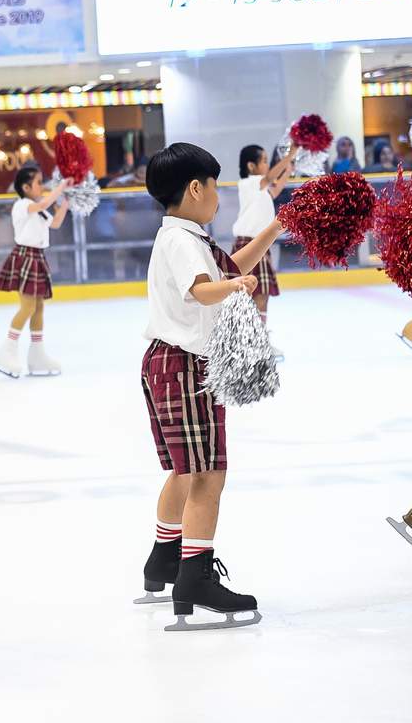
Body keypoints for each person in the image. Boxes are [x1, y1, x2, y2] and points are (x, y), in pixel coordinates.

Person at [135, 142, 280, 631]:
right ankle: (194, 577)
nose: (220, 196)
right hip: (184, 366)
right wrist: (234, 289)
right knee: (207, 475)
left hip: (169, 363)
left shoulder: (184, 236)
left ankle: (165, 559)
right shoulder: (181, 242)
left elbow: (231, 267)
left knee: (186, 471)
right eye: (216, 187)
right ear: (196, 188)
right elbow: (202, 289)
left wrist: (274, 229)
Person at [0, 166, 69, 378]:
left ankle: (37, 354)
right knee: (27, 307)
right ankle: (7, 351)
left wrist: (65, 203)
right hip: (25, 256)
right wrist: (61, 187)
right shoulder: (23, 205)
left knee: (38, 307)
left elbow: (55, 223)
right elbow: (44, 203)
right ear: (26, 187)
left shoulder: (38, 208)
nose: (42, 186)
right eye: (39, 182)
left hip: (37, 257)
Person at [232, 143, 296, 358]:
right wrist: (289, 156)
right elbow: (269, 179)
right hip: (249, 244)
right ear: (251, 166)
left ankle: (257, 341)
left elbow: (274, 190)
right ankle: (253, 342)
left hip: (258, 245)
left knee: (261, 295)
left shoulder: (260, 188)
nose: (268, 165)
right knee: (254, 295)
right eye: (265, 161)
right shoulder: (248, 183)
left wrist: (287, 170)